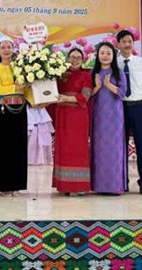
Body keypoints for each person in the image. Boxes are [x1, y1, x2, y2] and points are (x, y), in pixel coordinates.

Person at [116, 29, 142, 196]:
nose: (127, 44)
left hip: (138, 108)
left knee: (141, 147)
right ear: (118, 44)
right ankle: (121, 182)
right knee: (120, 147)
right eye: (124, 41)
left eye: (130, 41)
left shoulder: (141, 62)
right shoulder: (114, 63)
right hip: (119, 108)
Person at [0, 39, 28, 195]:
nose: (6, 50)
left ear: (13, 49)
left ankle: (17, 184)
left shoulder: (22, 68)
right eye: (3, 47)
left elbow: (27, 90)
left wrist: (38, 101)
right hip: (3, 110)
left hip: (20, 110)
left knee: (19, 147)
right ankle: (2, 185)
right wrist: (16, 87)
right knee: (3, 147)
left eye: (9, 47)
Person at [89, 42, 128, 195]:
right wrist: (98, 87)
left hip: (115, 117)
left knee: (115, 149)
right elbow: (88, 95)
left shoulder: (118, 72)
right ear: (97, 55)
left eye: (108, 53)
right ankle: (99, 186)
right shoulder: (93, 73)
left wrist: (109, 85)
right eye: (102, 53)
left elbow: (123, 93)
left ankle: (115, 186)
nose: (105, 56)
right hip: (99, 116)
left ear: (113, 56)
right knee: (99, 150)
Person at [53, 48, 92, 195]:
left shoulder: (86, 75)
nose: (75, 60)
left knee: (78, 149)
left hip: (78, 117)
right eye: (72, 57)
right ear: (67, 58)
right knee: (64, 149)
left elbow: (86, 96)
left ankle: (79, 186)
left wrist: (67, 98)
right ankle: (64, 185)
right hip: (62, 115)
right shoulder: (60, 74)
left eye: (78, 58)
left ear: (82, 60)